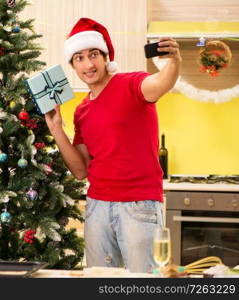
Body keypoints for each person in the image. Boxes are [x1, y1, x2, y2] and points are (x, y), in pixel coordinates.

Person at [44, 18, 182, 273]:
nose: (88, 64)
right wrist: (56, 129)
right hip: (97, 207)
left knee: (142, 284)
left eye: (93, 54)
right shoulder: (82, 110)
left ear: (105, 56)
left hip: (139, 206)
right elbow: (80, 170)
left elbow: (161, 83)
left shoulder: (131, 83)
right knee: (101, 282)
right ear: (73, 65)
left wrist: (174, 62)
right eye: (79, 58)